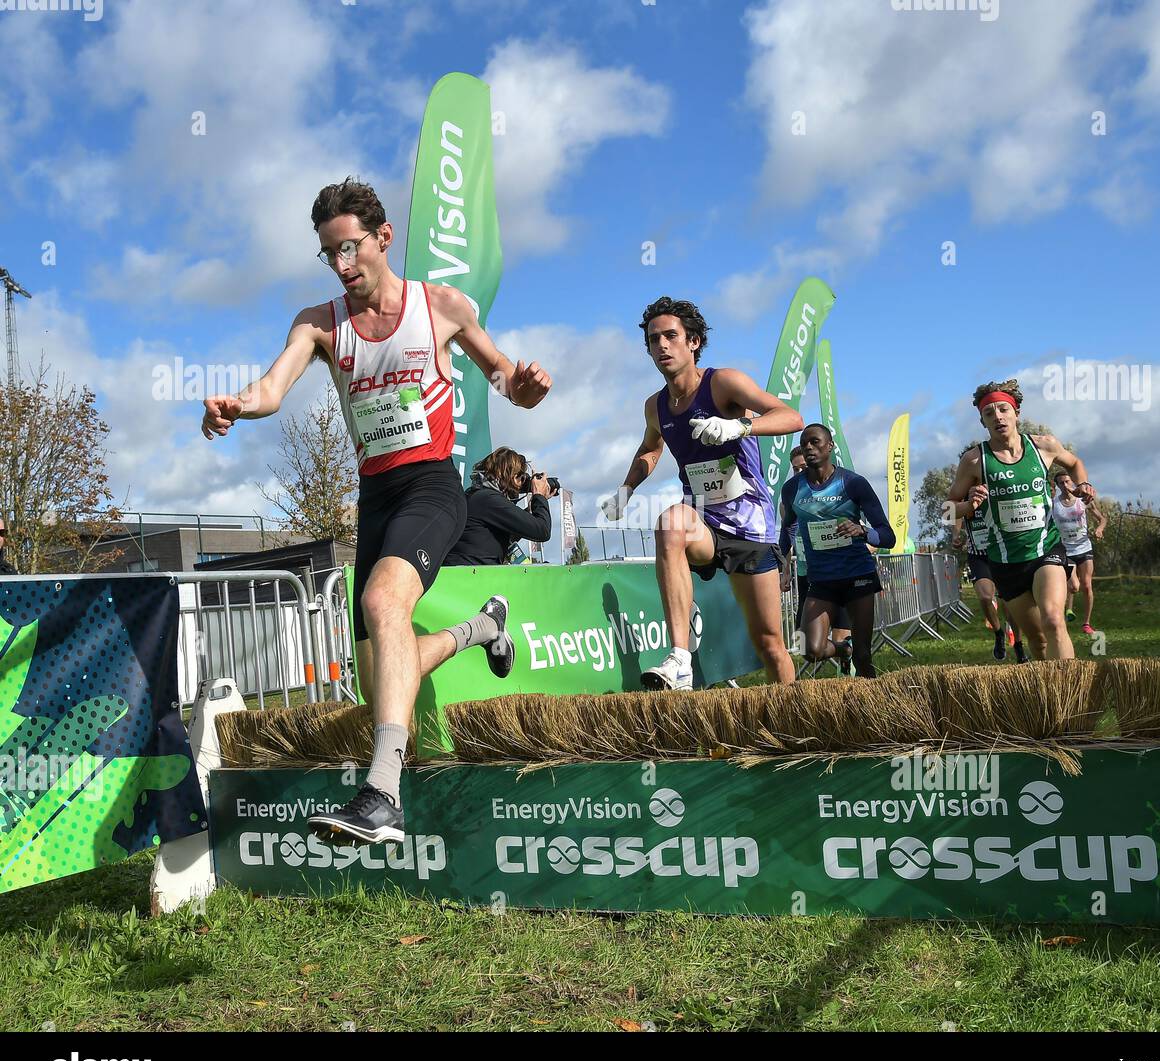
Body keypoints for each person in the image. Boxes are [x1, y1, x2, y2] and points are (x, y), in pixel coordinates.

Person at [201, 178, 551, 845]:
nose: (342, 266)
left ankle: (382, 792)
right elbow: (272, 389)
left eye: (351, 249)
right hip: (376, 499)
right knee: (385, 678)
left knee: (384, 602)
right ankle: (482, 629)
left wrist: (526, 389)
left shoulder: (442, 306)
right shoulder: (318, 323)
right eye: (329, 254)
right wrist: (236, 406)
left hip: (431, 486)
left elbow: (505, 377)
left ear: (383, 239)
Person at [601, 296, 803, 690]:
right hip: (705, 522)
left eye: (671, 336)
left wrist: (740, 428)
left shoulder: (724, 382)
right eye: (653, 339)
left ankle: (796, 713)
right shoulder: (655, 407)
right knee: (670, 524)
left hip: (750, 528)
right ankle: (680, 659)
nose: (661, 345)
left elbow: (790, 417)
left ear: (692, 341)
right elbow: (650, 449)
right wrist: (626, 491)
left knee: (770, 645)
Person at [946, 379, 1095, 661]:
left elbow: (1074, 463)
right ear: (982, 421)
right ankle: (1049, 700)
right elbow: (948, 510)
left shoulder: (1044, 446)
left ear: (1016, 414)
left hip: (1045, 550)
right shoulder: (975, 461)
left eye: (1003, 409)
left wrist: (1083, 484)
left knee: (1053, 620)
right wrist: (969, 503)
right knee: (1037, 642)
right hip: (1005, 563)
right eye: (989, 413)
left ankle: (1072, 698)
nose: (998, 417)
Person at [778, 425, 894, 678]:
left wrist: (862, 531)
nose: (809, 447)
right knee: (810, 649)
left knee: (864, 656)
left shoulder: (853, 483)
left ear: (830, 446)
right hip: (821, 580)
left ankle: (875, 707)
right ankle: (843, 649)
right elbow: (787, 529)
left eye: (815, 442)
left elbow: (888, 536)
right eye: (804, 442)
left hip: (858, 576)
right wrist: (782, 565)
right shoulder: (792, 489)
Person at [782, 444, 856, 673]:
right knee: (804, 643)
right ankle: (845, 650)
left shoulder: (839, 491)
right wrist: (785, 571)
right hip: (807, 576)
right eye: (795, 469)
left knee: (841, 629)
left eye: (803, 466)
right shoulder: (792, 497)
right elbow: (786, 535)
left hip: (840, 572)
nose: (800, 471)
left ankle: (848, 685)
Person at [445, 447, 556, 567]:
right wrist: (539, 496)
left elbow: (507, 535)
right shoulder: (488, 499)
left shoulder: (477, 495)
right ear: (512, 477)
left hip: (464, 574)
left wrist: (530, 509)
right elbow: (542, 531)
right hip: (469, 578)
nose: (521, 485)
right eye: (521, 478)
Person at [950, 489, 1026, 663]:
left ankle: (1019, 645)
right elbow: (953, 512)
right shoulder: (965, 495)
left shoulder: (997, 489)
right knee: (985, 597)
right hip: (978, 555)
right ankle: (999, 633)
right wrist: (956, 535)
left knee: (1009, 602)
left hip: (1002, 553)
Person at [1051, 472, 1106, 635]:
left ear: (1073, 482)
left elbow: (1102, 519)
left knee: (1087, 585)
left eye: (1067, 481)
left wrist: (1099, 529)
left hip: (1084, 547)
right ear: (1057, 486)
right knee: (1073, 586)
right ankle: (1063, 616)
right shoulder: (1054, 504)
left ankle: (1086, 624)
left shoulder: (1084, 500)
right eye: (1061, 483)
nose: (1065, 485)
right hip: (1065, 549)